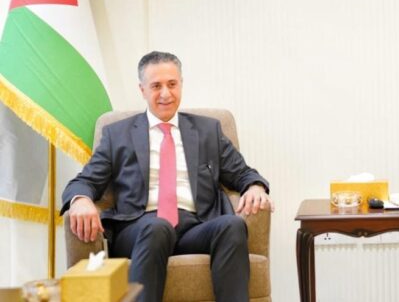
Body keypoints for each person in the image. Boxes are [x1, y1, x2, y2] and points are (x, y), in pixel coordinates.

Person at [61, 51, 273, 302]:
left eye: (172, 84)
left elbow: (243, 173)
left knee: (232, 225)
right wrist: (81, 200)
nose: (165, 93)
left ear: (181, 84)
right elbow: (84, 181)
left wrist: (255, 187)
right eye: (156, 86)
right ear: (142, 90)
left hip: (195, 227)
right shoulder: (117, 134)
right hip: (140, 229)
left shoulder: (208, 131)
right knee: (157, 226)